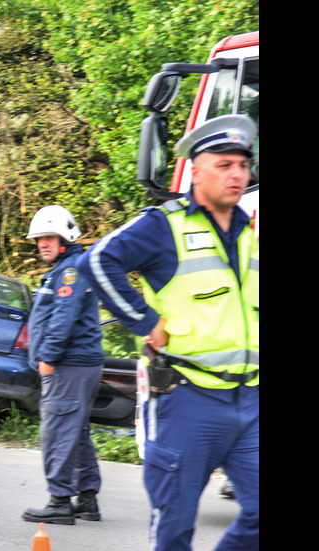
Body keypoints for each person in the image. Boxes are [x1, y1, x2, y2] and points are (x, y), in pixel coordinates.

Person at [79, 114, 258, 550]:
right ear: (196, 170)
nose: (237, 174)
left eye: (243, 164)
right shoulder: (164, 225)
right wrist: (144, 320)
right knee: (175, 526)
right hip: (187, 398)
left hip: (250, 398)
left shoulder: (249, 232)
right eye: (224, 164)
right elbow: (98, 262)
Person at [21, 205, 105, 526]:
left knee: (57, 431)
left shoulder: (69, 271)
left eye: (48, 237)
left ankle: (59, 500)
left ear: (65, 238)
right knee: (77, 431)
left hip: (68, 364)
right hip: (80, 364)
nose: (42, 243)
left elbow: (62, 319)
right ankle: (87, 499)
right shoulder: (66, 269)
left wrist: (48, 358)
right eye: (39, 238)